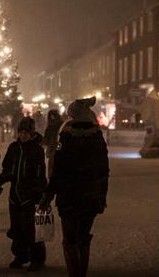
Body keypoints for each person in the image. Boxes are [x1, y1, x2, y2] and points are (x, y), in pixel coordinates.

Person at [39, 97, 109, 277]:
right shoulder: (97, 136)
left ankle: (74, 273)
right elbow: (103, 170)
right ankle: (81, 273)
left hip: (69, 196)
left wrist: (48, 195)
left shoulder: (66, 136)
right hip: (91, 196)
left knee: (70, 239)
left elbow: (58, 169)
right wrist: (101, 196)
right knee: (83, 238)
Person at [0, 117, 47, 272]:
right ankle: (20, 256)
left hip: (30, 196)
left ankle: (37, 258)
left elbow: (40, 173)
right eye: (21, 132)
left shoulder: (36, 150)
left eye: (26, 132)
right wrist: (0, 180)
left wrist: (41, 191)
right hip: (15, 196)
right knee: (17, 228)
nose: (23, 135)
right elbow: (8, 169)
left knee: (31, 229)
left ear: (32, 133)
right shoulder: (14, 148)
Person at [43, 109, 63, 177]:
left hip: (57, 147)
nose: (52, 117)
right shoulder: (51, 126)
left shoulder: (60, 125)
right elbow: (46, 138)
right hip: (53, 147)